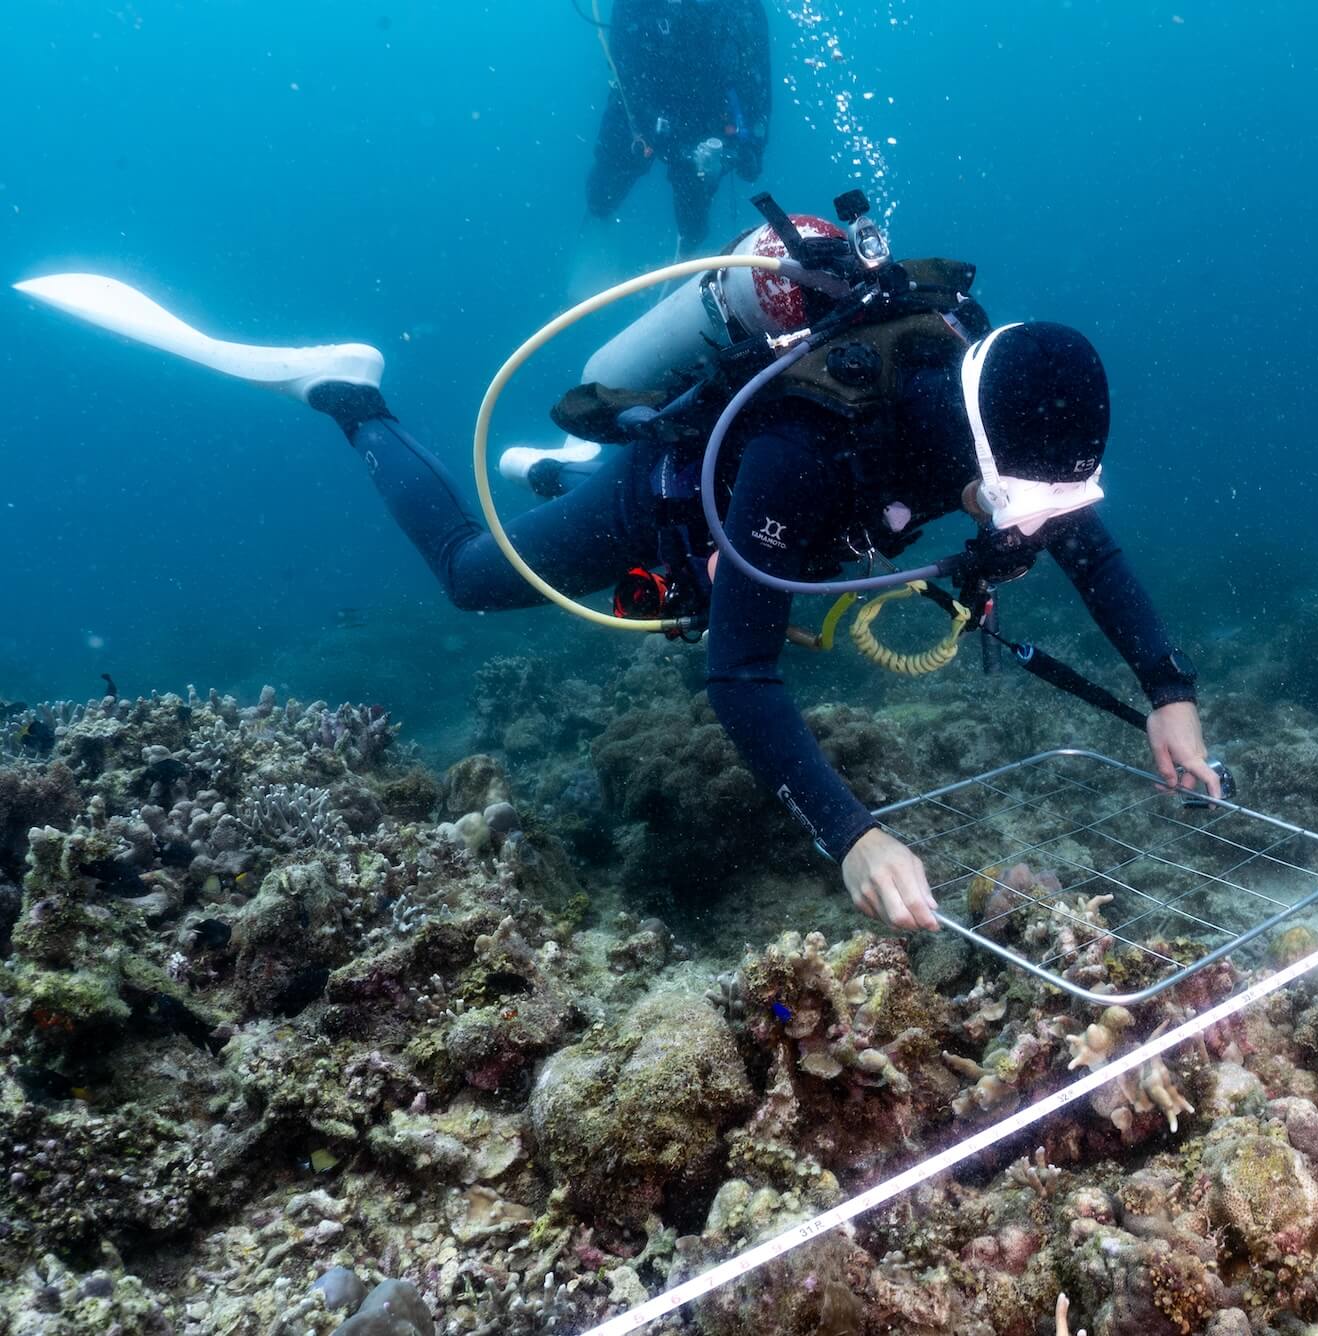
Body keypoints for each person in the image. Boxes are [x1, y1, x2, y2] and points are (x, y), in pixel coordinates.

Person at [14, 230, 1219, 935]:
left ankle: (551, 471)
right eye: (1020, 503)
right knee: (474, 579)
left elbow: (1084, 541)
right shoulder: (811, 454)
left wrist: (1166, 689)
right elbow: (737, 675)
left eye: (1064, 504)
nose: (1035, 533)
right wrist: (847, 834)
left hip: (763, 521)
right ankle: (348, 394)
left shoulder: (1016, 436)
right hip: (676, 505)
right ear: (969, 449)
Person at [585, 0, 771, 253]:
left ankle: (688, 272)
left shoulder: (740, 7)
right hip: (641, 105)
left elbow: (757, 68)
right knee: (601, 194)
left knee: (693, 224)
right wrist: (650, 121)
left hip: (704, 115)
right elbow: (621, 58)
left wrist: (754, 140)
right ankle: (592, 246)